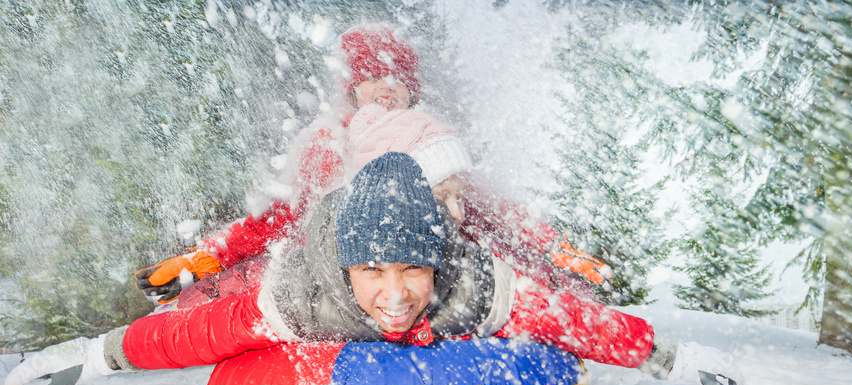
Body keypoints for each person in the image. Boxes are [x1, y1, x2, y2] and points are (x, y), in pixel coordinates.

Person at [6, 153, 744, 385]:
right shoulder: (303, 296)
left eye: (412, 270)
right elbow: (200, 330)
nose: (395, 295)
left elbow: (569, 320)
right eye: (373, 273)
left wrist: (671, 359)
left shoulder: (473, 286)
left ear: (437, 263)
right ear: (347, 269)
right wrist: (96, 357)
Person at [136, 23, 610, 307]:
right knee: (261, 287)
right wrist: (205, 258)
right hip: (338, 266)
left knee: (494, 276)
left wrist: (554, 248)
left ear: (412, 92)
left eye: (398, 81)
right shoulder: (329, 142)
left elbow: (487, 207)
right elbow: (279, 215)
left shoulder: (428, 137)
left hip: (415, 268)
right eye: (372, 79)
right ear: (352, 90)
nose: (386, 88)